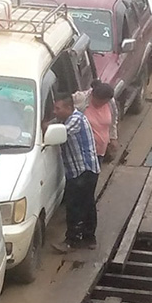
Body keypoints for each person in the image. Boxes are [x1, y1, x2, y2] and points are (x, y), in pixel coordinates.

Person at [51, 94, 100, 252]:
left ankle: (71, 241)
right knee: (87, 204)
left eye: (58, 108)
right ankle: (88, 238)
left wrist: (44, 126)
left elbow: (61, 133)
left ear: (69, 108)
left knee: (74, 206)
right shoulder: (67, 119)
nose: (55, 111)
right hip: (81, 171)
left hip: (83, 171)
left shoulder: (75, 120)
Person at [85, 82, 119, 162]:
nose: (100, 104)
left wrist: (113, 137)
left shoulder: (110, 103)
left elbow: (113, 121)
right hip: (86, 150)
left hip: (101, 149)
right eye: (98, 101)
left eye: (103, 102)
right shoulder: (82, 99)